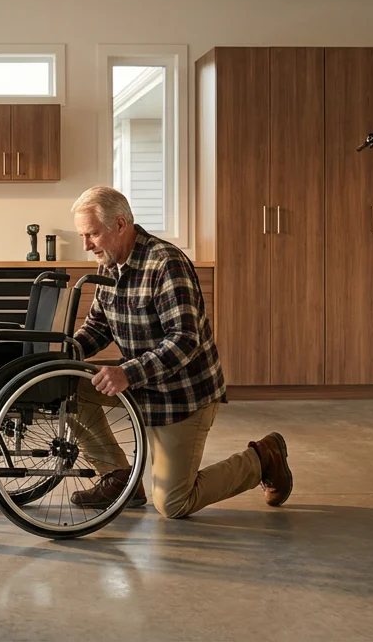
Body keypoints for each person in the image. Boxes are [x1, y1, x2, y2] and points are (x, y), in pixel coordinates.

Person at [66, 186, 293, 518]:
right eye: (82, 235)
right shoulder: (110, 263)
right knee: (66, 386)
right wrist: (62, 352)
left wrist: (127, 373)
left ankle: (263, 458)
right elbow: (98, 327)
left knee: (173, 503)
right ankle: (118, 480)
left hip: (181, 395)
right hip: (141, 384)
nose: (86, 245)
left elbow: (184, 339)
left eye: (92, 234)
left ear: (120, 224)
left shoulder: (165, 263)